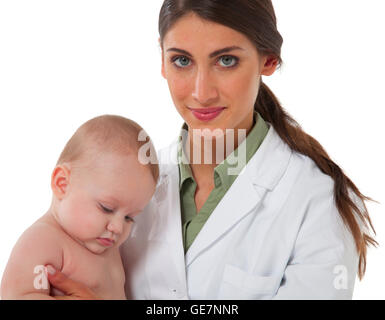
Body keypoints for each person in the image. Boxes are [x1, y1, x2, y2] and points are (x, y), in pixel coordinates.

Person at [46, 0, 377, 300]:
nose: (201, 92)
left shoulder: (316, 201)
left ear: (268, 60)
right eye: (182, 60)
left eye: (226, 60)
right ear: (162, 59)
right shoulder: (122, 181)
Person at [0, 115, 158, 299]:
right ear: (62, 184)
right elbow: (16, 296)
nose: (118, 227)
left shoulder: (109, 250)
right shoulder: (42, 241)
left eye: (129, 217)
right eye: (106, 208)